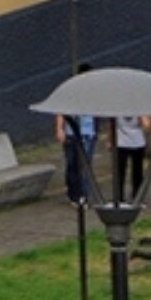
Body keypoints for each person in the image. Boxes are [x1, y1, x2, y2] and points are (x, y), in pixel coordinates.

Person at [56, 65, 97, 206]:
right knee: (72, 164)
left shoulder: (94, 93)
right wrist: (59, 129)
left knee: (85, 165)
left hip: (87, 132)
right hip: (71, 132)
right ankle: (73, 193)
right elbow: (61, 111)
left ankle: (83, 195)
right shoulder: (70, 91)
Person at [112, 114, 150, 203]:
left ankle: (137, 196)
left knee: (137, 172)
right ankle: (119, 197)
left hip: (137, 142)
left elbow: (147, 125)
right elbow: (112, 124)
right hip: (121, 143)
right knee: (119, 172)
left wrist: (140, 114)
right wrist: (111, 140)